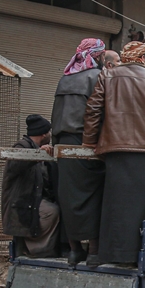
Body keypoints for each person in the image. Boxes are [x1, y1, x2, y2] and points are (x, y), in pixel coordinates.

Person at [83, 41, 145, 267]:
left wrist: (90, 143)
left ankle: (118, 257)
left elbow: (93, 110)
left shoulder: (108, 75)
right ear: (143, 58)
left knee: (119, 206)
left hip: (118, 151)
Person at [51, 38, 107, 266]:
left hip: (63, 145)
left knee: (69, 197)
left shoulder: (64, 79)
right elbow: (101, 112)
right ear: (97, 56)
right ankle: (94, 251)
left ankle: (74, 251)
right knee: (94, 194)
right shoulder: (97, 77)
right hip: (87, 142)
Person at [1, 115, 60, 258]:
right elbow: (16, 166)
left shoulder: (36, 147)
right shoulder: (22, 146)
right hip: (23, 203)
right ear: (44, 134)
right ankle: (37, 249)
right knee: (52, 212)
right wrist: (38, 154)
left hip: (34, 200)